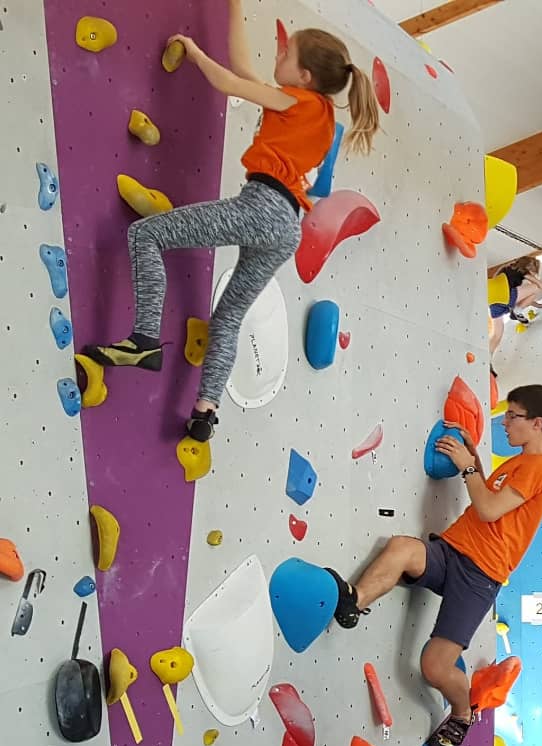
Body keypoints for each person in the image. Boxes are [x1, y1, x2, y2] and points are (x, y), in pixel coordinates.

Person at [82, 8, 379, 443]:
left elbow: (228, 82)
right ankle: (205, 411)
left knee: (146, 234)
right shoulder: (317, 114)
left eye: (286, 52)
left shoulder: (300, 102)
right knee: (229, 316)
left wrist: (197, 53)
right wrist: (234, 8)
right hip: (285, 227)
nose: (278, 54)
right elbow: (243, 70)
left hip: (263, 207)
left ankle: (144, 337)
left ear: (306, 75)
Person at [330, 386, 542, 746]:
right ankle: (352, 603)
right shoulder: (520, 462)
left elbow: (487, 510)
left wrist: (467, 465)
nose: (505, 423)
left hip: (481, 573)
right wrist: (475, 461)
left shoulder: (541, 467)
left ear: (536, 423)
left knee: (434, 667)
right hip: (453, 549)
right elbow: (491, 496)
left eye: (512, 416)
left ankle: (462, 711)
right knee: (402, 548)